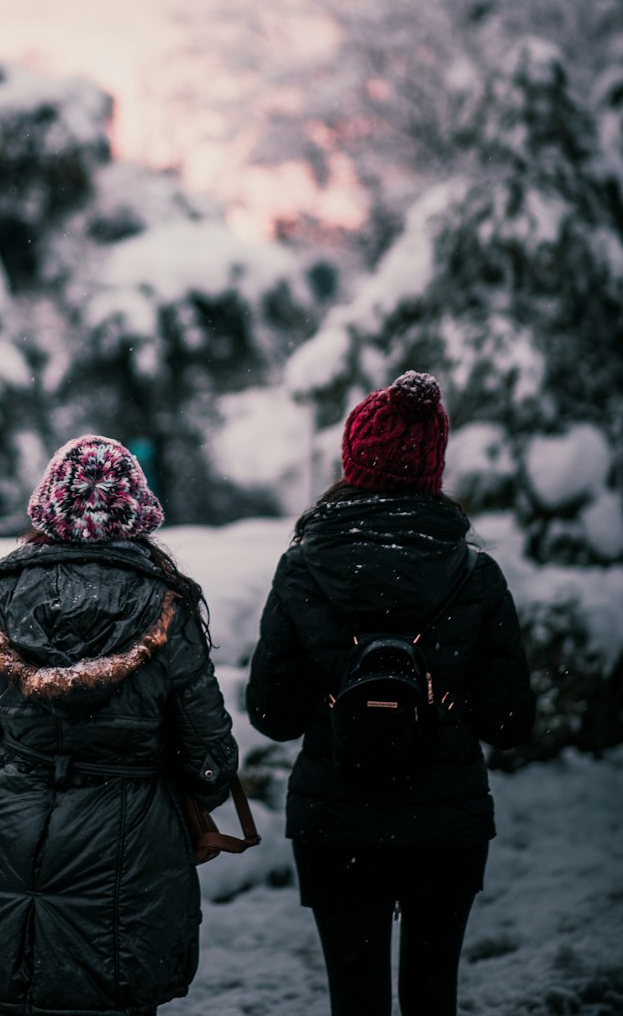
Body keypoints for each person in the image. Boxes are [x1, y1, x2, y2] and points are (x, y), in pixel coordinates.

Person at [246, 371, 535, 1016]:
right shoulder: (475, 574)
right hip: (446, 821)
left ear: (352, 460)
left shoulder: (303, 566)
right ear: (434, 465)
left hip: (335, 818)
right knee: (434, 997)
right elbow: (511, 719)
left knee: (356, 1002)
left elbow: (271, 714)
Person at [0, 433, 238, 1016]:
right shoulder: (168, 603)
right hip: (134, 845)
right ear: (135, 513)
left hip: (19, 837)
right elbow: (209, 753)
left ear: (47, 508)